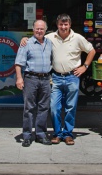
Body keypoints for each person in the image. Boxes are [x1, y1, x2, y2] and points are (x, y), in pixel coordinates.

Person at [21, 13, 96, 145]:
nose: (63, 27)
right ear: (57, 25)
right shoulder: (50, 37)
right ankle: (57, 133)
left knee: (70, 107)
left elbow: (92, 51)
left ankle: (67, 134)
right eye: (61, 24)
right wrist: (25, 39)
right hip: (55, 77)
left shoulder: (78, 38)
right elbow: (36, 37)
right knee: (54, 107)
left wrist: (84, 66)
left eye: (66, 24)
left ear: (70, 25)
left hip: (72, 76)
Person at [14, 19, 53, 147]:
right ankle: (27, 136)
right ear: (33, 29)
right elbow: (19, 63)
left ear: (45, 30)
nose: (39, 31)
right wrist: (19, 78)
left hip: (46, 79)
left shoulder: (50, 43)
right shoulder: (27, 43)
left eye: (42, 29)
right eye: (37, 28)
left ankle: (41, 134)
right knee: (29, 108)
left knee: (44, 107)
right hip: (31, 78)